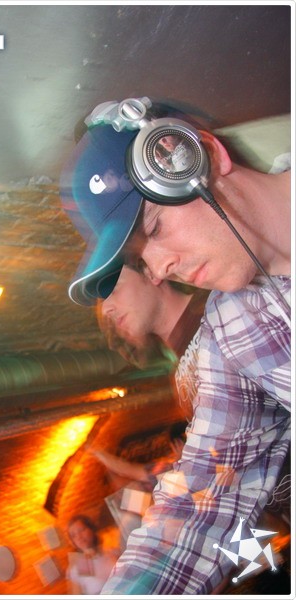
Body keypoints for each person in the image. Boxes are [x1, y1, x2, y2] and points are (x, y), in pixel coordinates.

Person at [59, 102, 291, 594]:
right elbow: (202, 503)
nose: (160, 268)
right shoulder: (233, 326)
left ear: (202, 154)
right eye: (141, 259)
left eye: (155, 229)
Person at [65, 514, 118, 595]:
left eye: (81, 530)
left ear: (91, 529)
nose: (79, 537)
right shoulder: (77, 567)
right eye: (74, 535)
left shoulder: (111, 551)